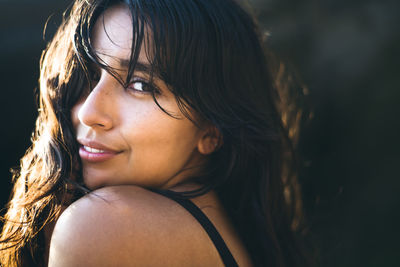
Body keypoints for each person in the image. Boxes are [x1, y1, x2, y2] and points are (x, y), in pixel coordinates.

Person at [0, 0, 310, 266]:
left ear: (212, 130)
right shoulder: (226, 233)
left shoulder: (105, 225)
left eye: (140, 84)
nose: (88, 112)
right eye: (90, 74)